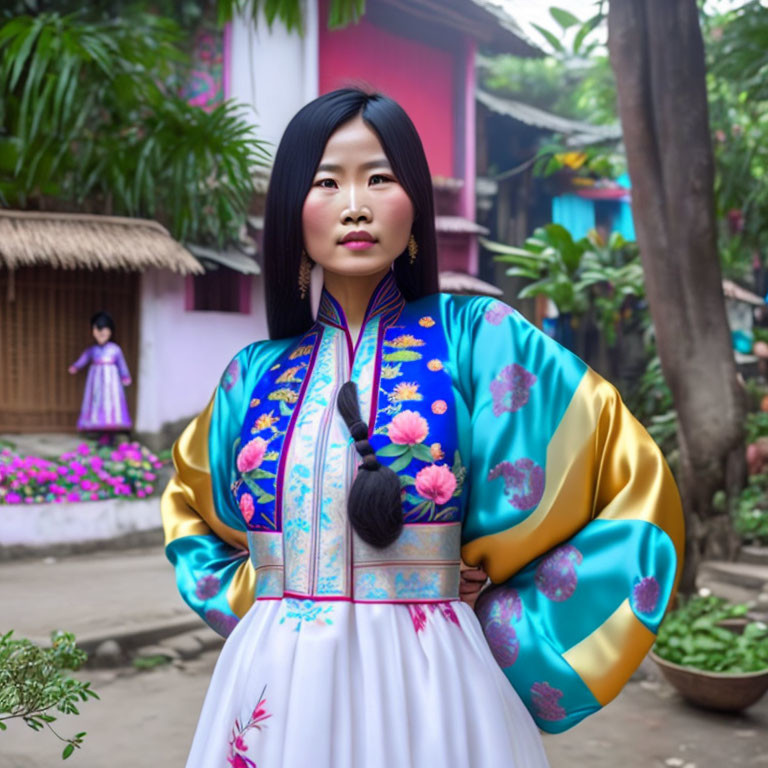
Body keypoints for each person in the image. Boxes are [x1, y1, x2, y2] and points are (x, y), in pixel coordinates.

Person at [161, 89, 684, 767]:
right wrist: (270, 604)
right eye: (327, 182)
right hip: (275, 687)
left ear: (416, 207)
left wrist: (500, 601)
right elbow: (189, 511)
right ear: (293, 212)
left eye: (379, 178)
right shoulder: (250, 377)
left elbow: (627, 476)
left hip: (434, 682)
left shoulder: (478, 339)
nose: (355, 203)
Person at [68, 310, 132, 439]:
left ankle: (111, 434)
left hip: (111, 381)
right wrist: (76, 366)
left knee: (111, 404)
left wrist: (125, 376)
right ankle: (99, 434)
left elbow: (121, 363)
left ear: (110, 331)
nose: (100, 333)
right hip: (96, 380)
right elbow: (84, 358)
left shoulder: (115, 349)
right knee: (96, 402)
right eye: (97, 330)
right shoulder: (93, 350)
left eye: (103, 330)